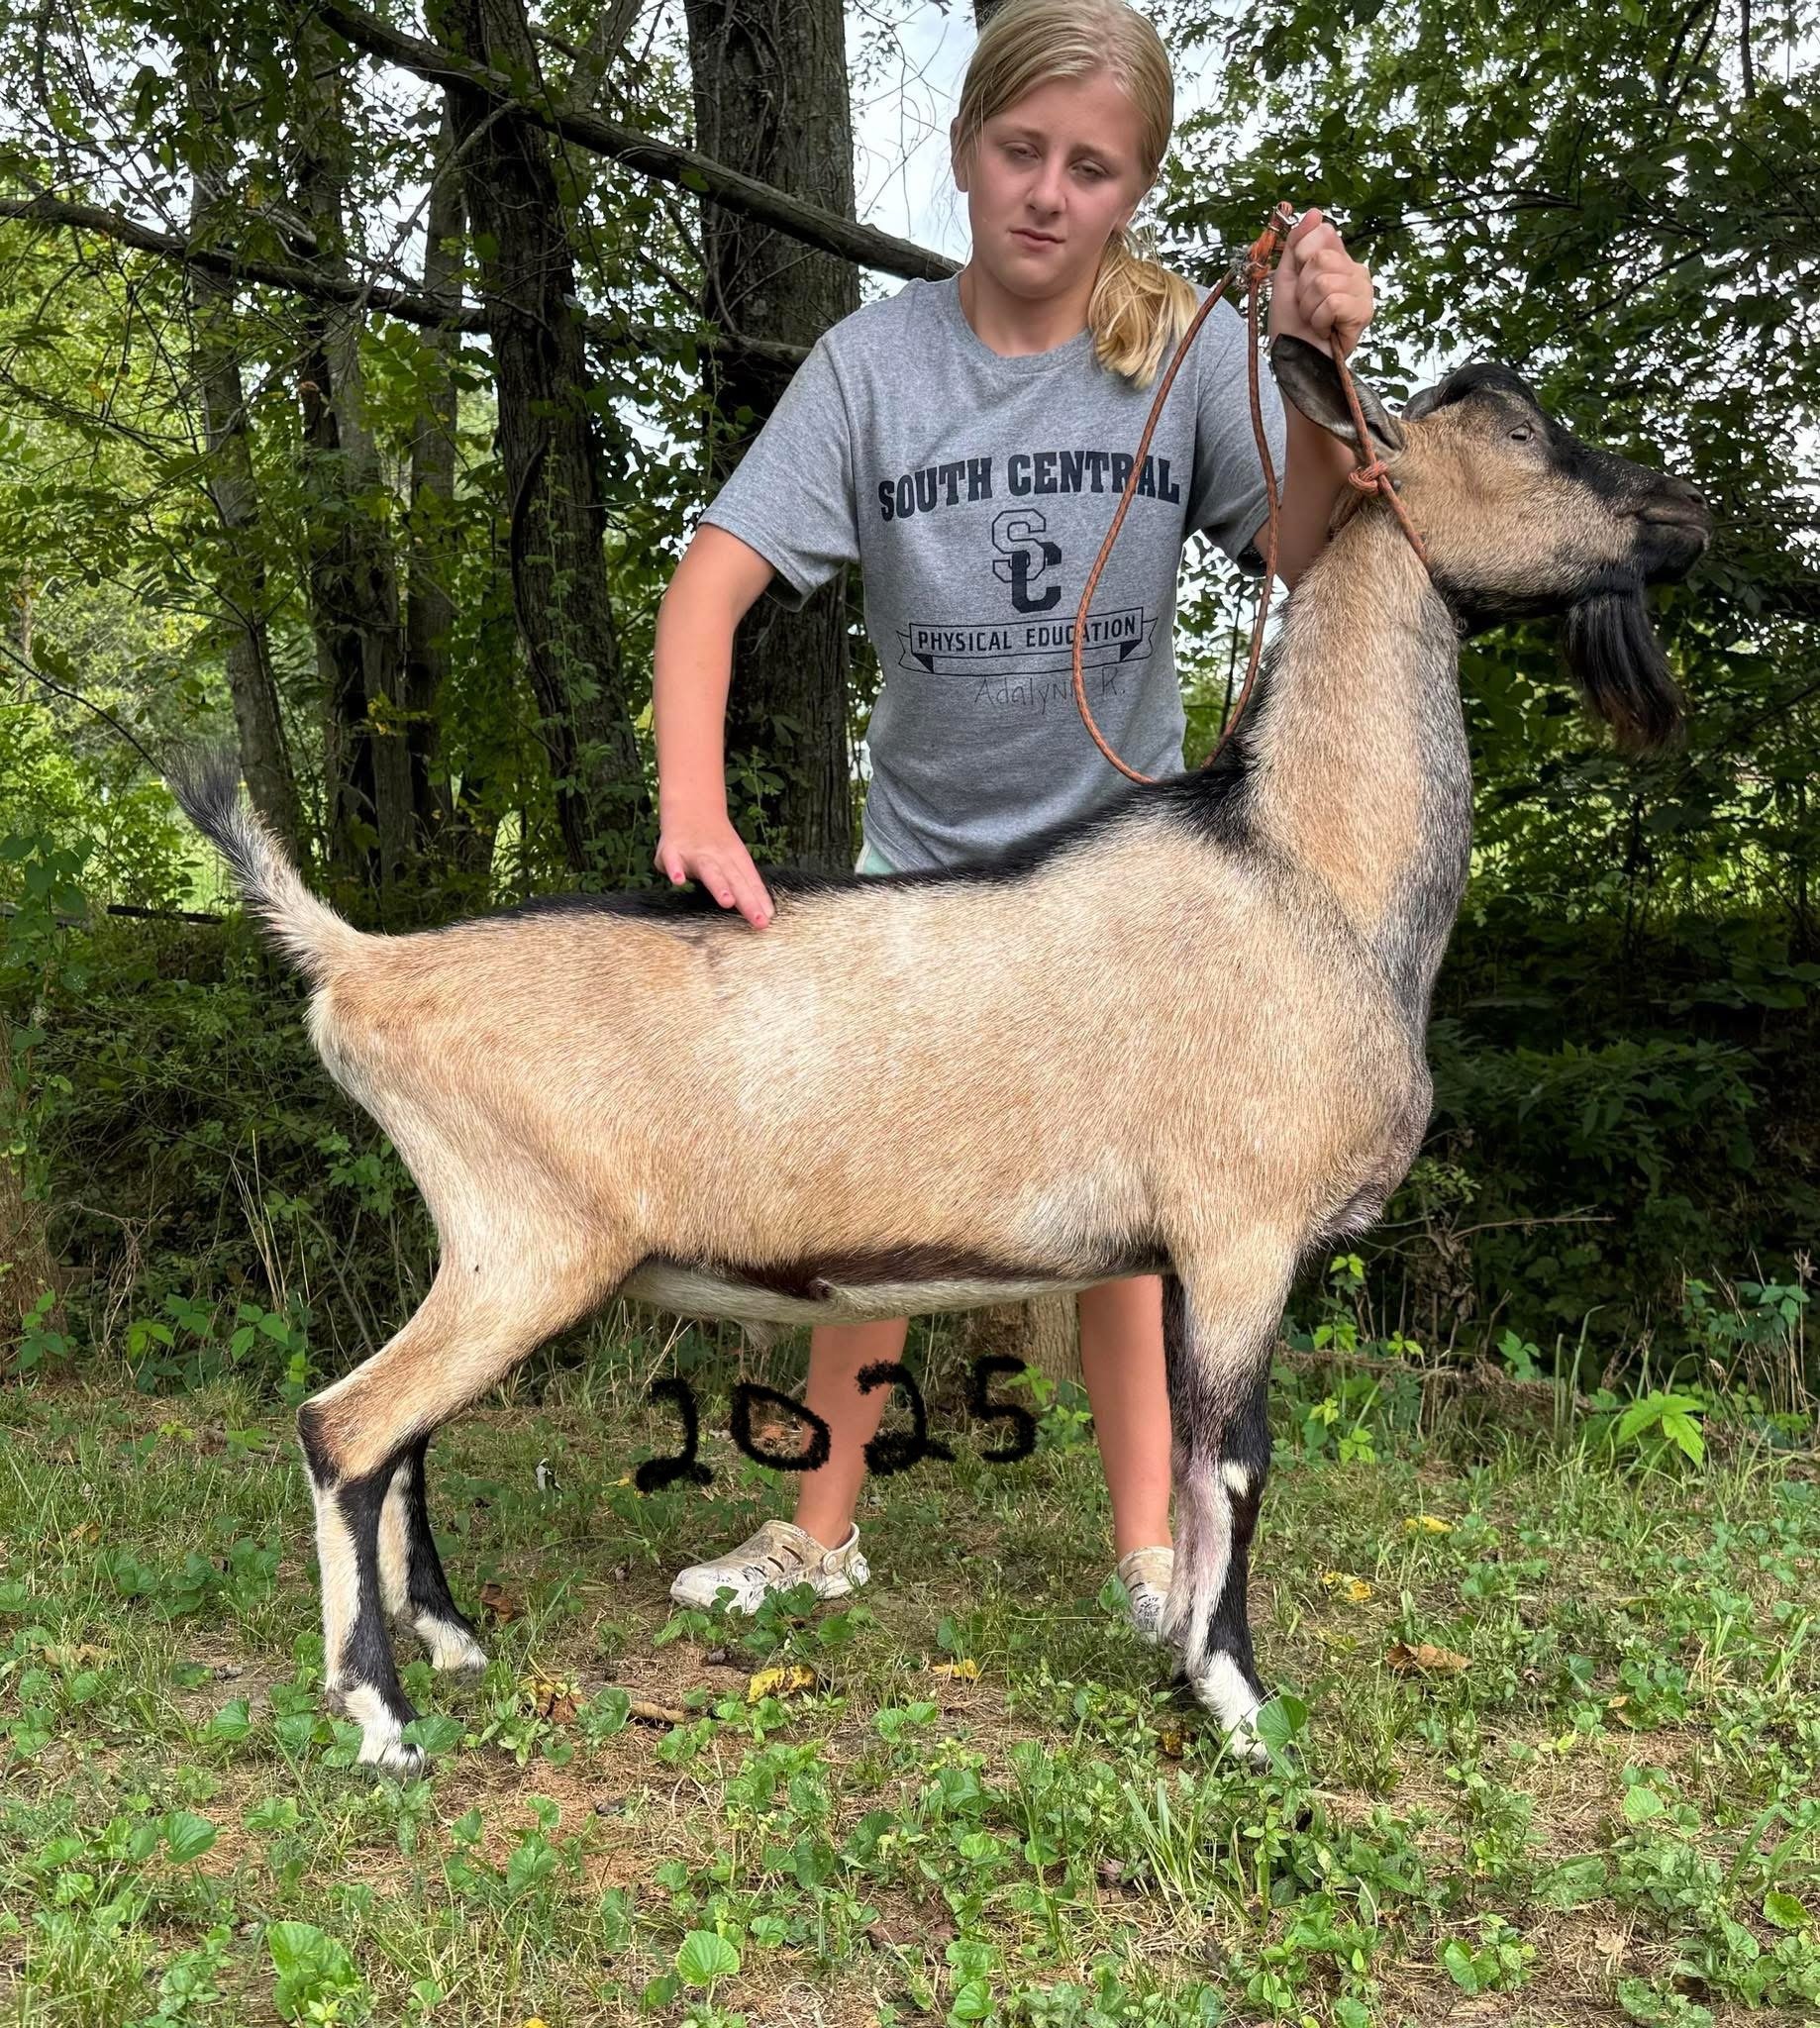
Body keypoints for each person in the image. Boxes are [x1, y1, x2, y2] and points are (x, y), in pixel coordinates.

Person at [649, 0, 1375, 1637]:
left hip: (1123, 886)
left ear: (1135, 188)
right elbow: (711, 584)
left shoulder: (1184, 353)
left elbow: (1304, 547)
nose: (1048, 192)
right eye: (1019, 151)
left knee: (1129, 1226)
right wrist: (692, 799)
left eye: (1090, 168)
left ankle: (1146, 1554)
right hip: (923, 880)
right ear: (966, 150)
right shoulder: (871, 368)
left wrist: (1318, 368)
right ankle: (818, 1530)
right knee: (869, 1198)